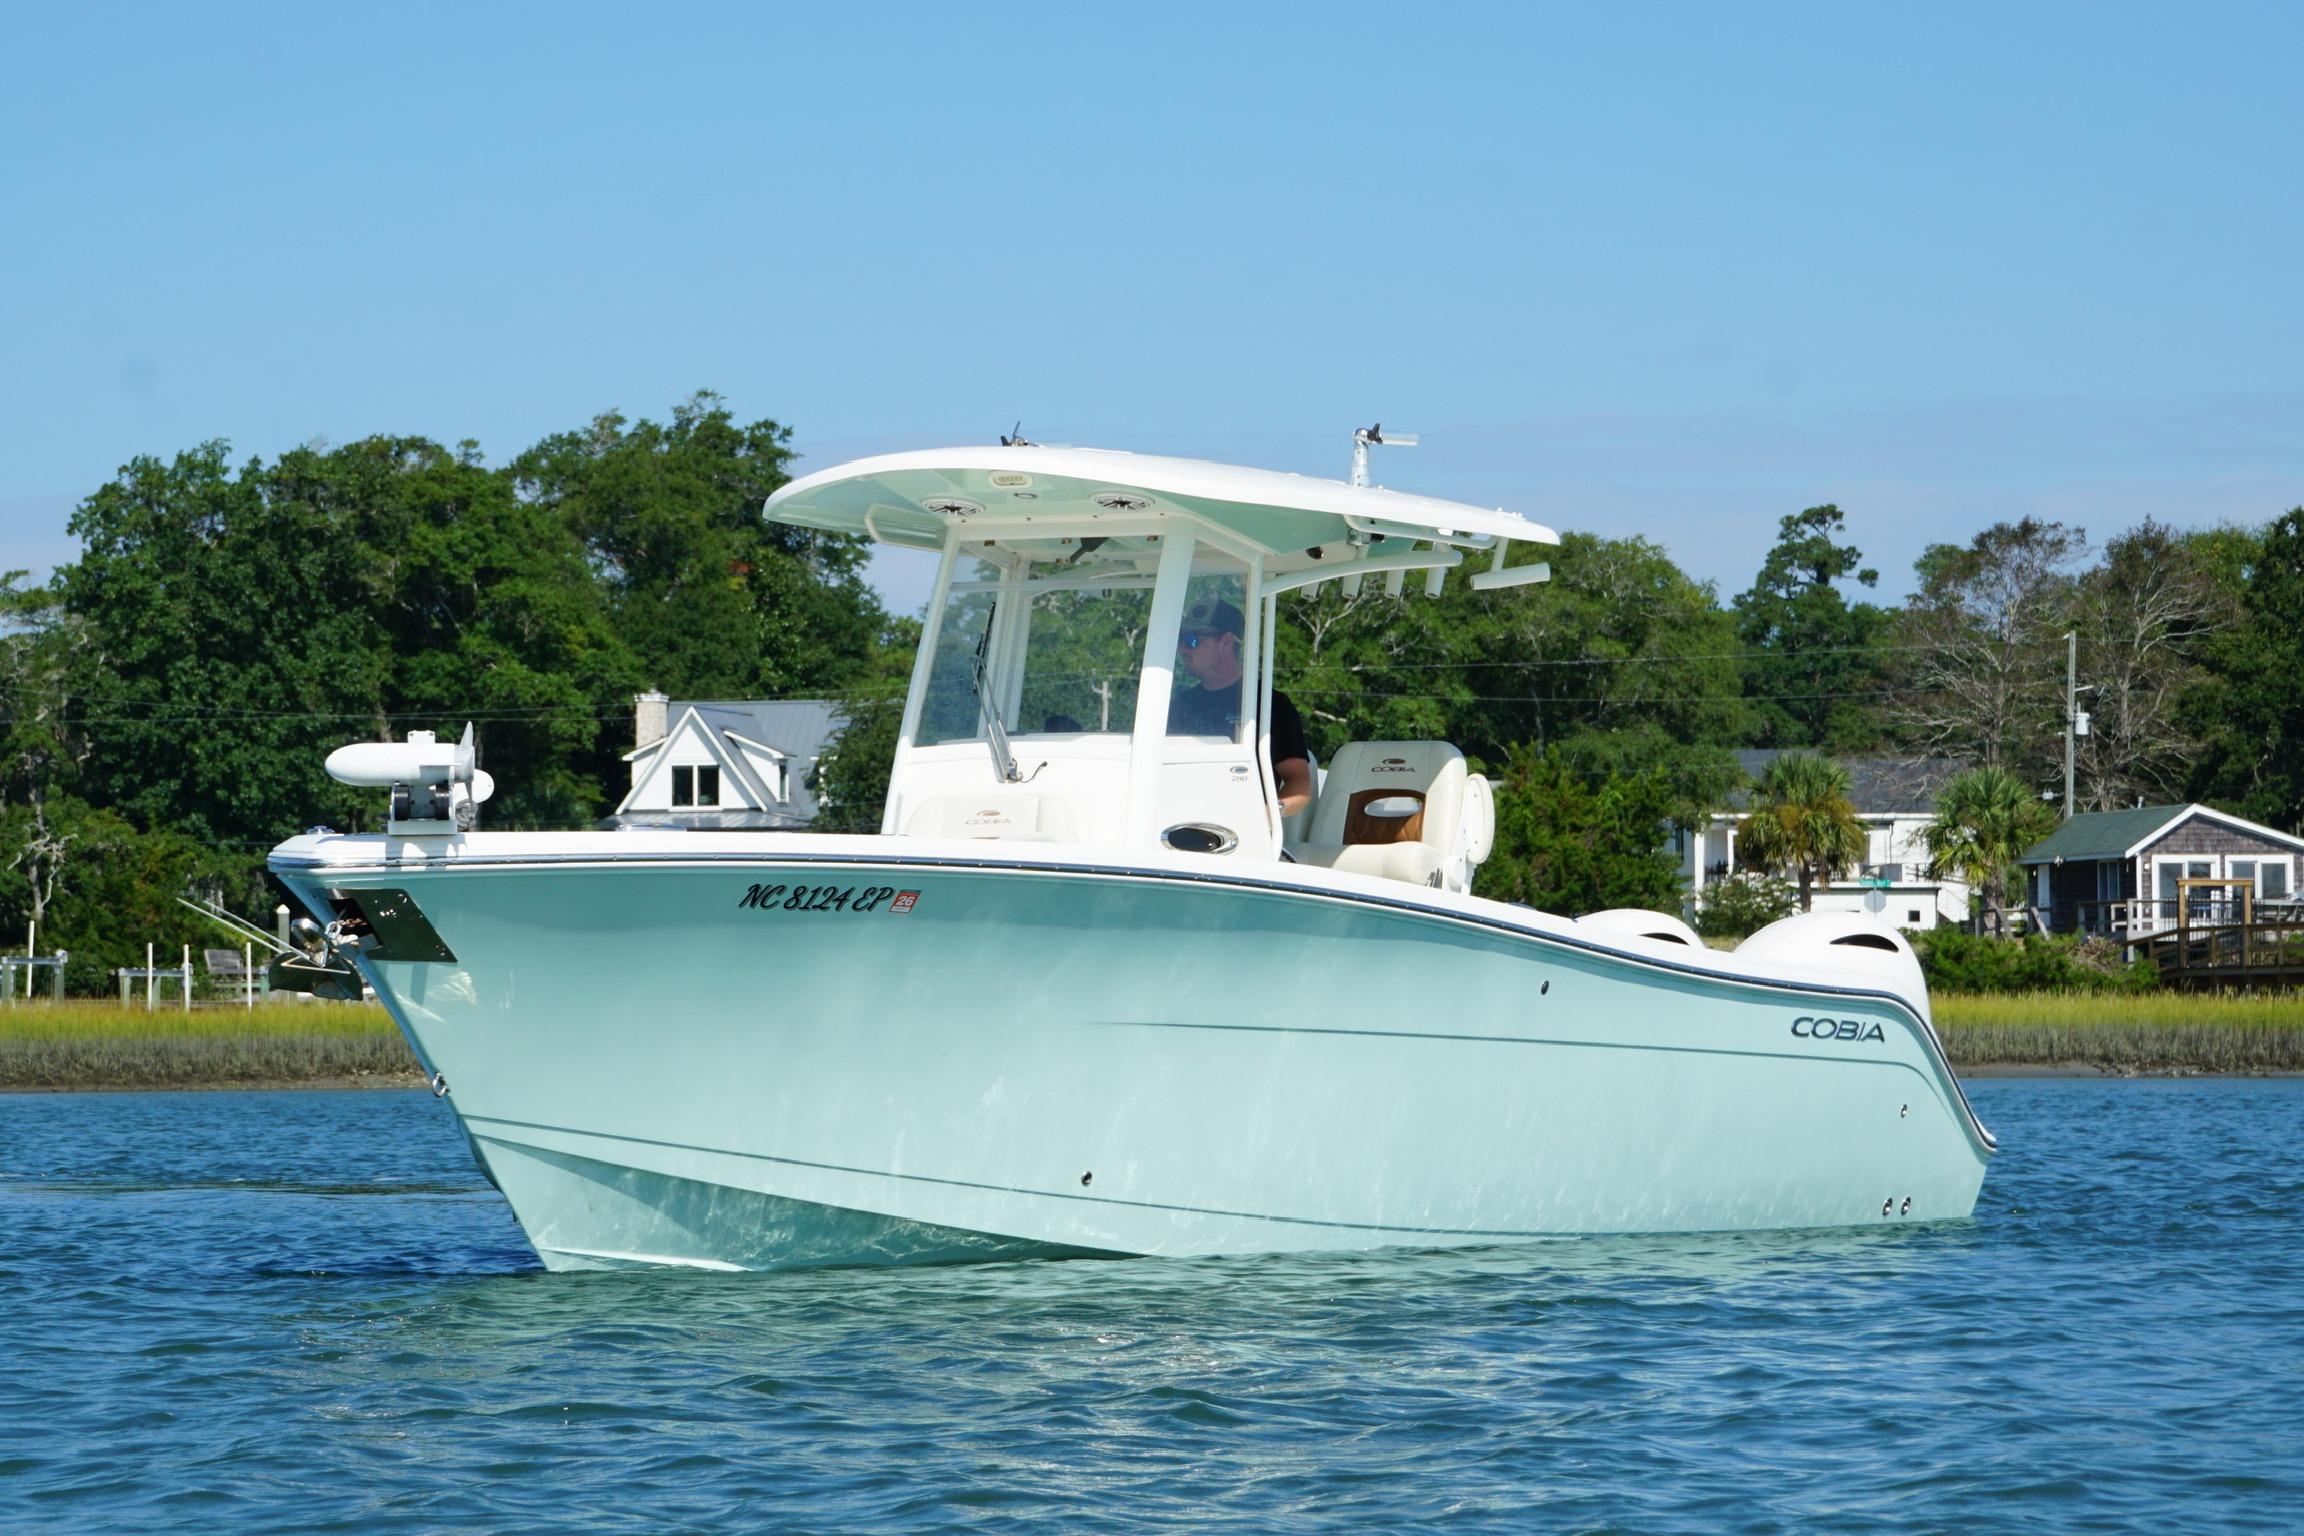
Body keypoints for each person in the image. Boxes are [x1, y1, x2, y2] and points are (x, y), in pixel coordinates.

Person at [1169, 597, 1314, 819]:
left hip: (1240, 839)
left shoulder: (1270, 704)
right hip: (1176, 823)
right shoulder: (1180, 704)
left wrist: (1263, 817)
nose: (1182, 649)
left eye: (1191, 640)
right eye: (1180, 640)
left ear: (1226, 642)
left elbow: (1299, 785)